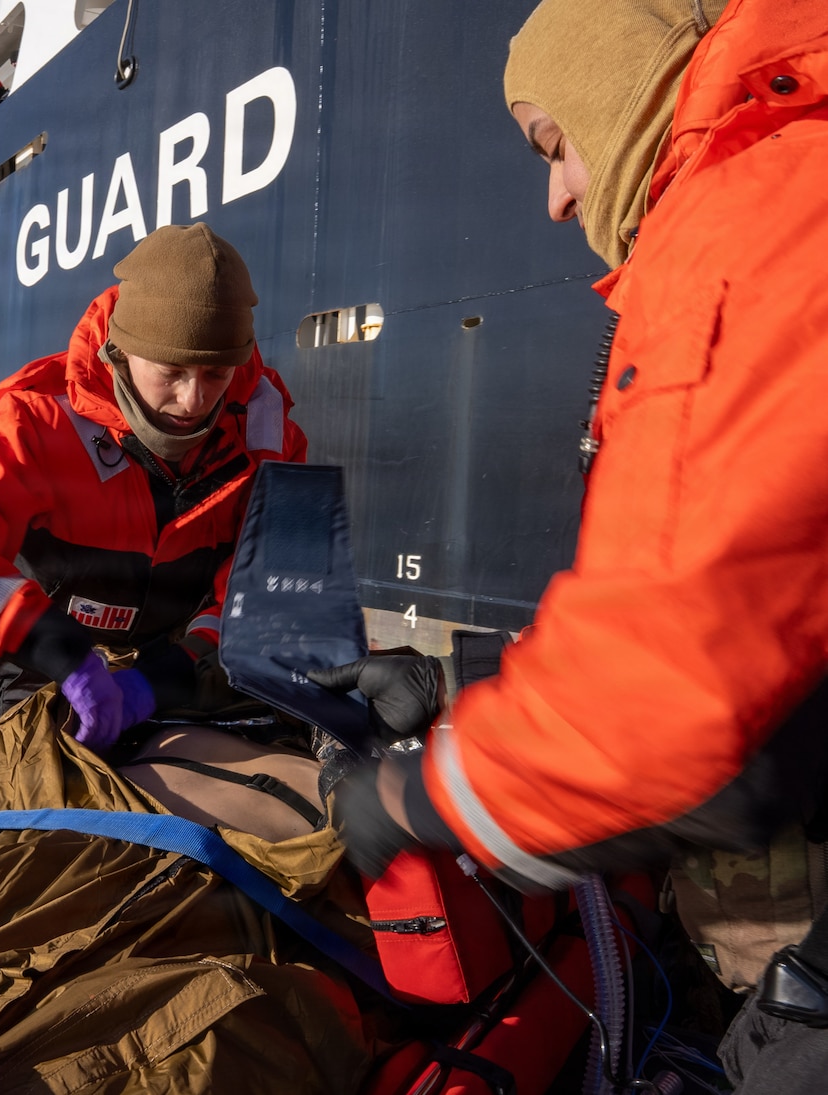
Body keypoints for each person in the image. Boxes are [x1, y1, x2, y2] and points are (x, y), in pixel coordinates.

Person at [311, 0, 828, 1088]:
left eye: (552, 145)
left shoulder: (750, 222)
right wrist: (465, 678)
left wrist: (420, 796)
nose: (553, 199)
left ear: (623, 87)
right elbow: (745, 588)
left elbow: (675, 695)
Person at [0, 222, 307, 751]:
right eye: (171, 371)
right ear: (120, 353)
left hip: (177, 669)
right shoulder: (33, 423)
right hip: (32, 674)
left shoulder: (267, 432)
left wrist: (182, 667)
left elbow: (277, 576)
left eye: (215, 374)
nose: (194, 400)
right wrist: (60, 653)